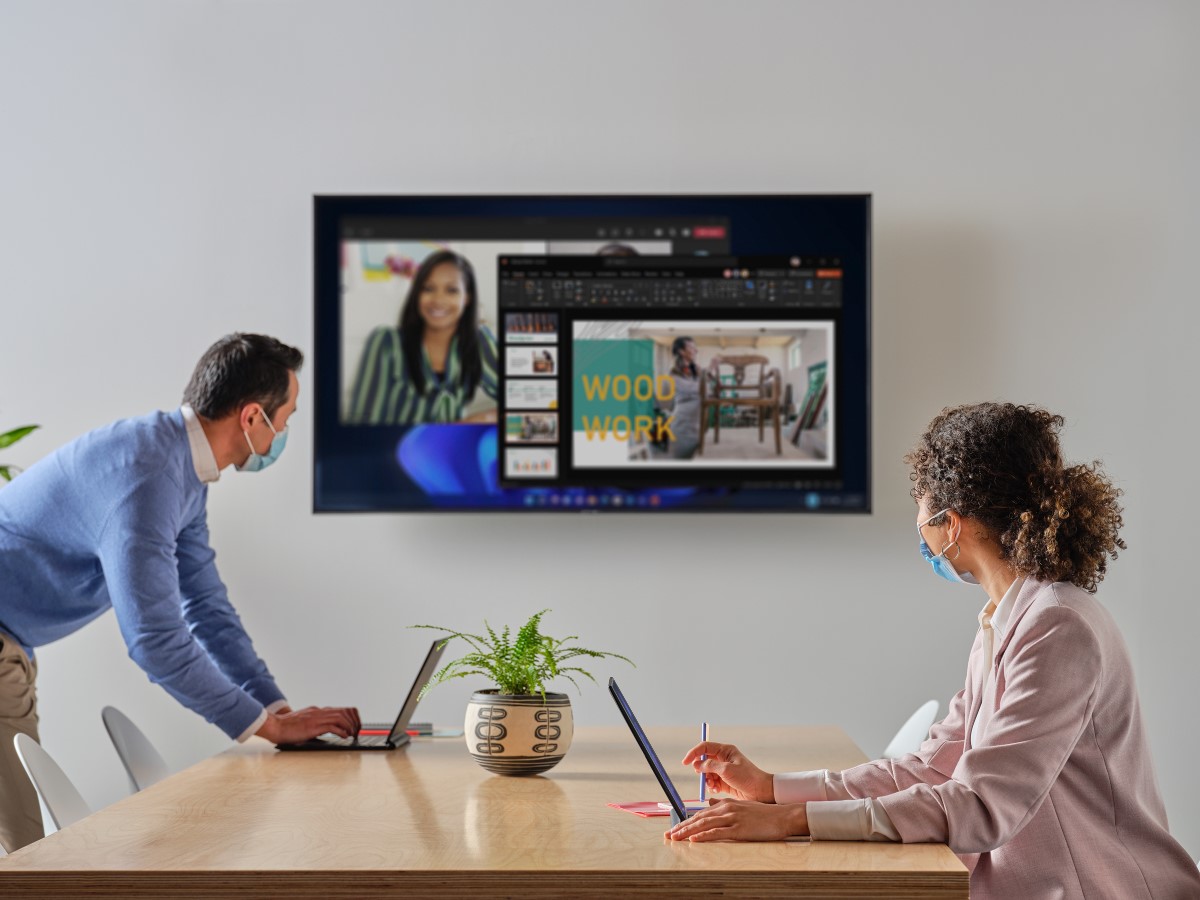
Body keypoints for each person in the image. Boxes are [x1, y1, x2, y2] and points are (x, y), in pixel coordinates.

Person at [667, 402, 1200, 899]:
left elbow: (982, 805)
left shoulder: (1058, 627)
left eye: (921, 511)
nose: (919, 530)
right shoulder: (1006, 620)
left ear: (953, 521)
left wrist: (789, 822)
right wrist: (771, 789)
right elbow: (932, 768)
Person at [0, 334, 360, 852]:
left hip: (12, 637)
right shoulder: (148, 477)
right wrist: (267, 729)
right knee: (24, 854)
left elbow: (206, 606)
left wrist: (275, 709)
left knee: (19, 847)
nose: (285, 431)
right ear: (253, 417)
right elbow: (154, 639)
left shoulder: (178, 468)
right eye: (288, 416)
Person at [347, 250, 499, 425]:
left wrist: (480, 419)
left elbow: (526, 398)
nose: (438, 300)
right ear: (417, 294)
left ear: (467, 298)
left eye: (451, 290)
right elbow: (363, 424)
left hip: (447, 449)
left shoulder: (478, 341)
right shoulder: (386, 342)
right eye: (428, 289)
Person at [653, 336, 701, 460]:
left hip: (696, 427)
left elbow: (706, 391)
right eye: (691, 347)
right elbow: (694, 389)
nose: (696, 350)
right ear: (681, 351)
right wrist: (710, 370)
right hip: (683, 427)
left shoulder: (695, 371)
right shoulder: (674, 374)